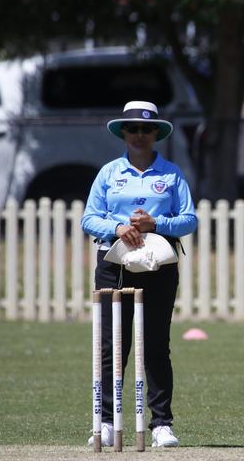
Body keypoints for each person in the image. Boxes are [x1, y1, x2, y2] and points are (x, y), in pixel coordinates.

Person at [82, 101, 197, 447]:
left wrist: (155, 223)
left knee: (156, 344)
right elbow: (89, 218)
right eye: (132, 129)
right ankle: (103, 421)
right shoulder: (108, 173)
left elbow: (190, 219)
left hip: (159, 265)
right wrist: (118, 227)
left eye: (146, 129)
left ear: (156, 133)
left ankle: (161, 423)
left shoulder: (172, 173)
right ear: (124, 133)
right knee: (111, 345)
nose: (139, 135)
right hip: (113, 263)